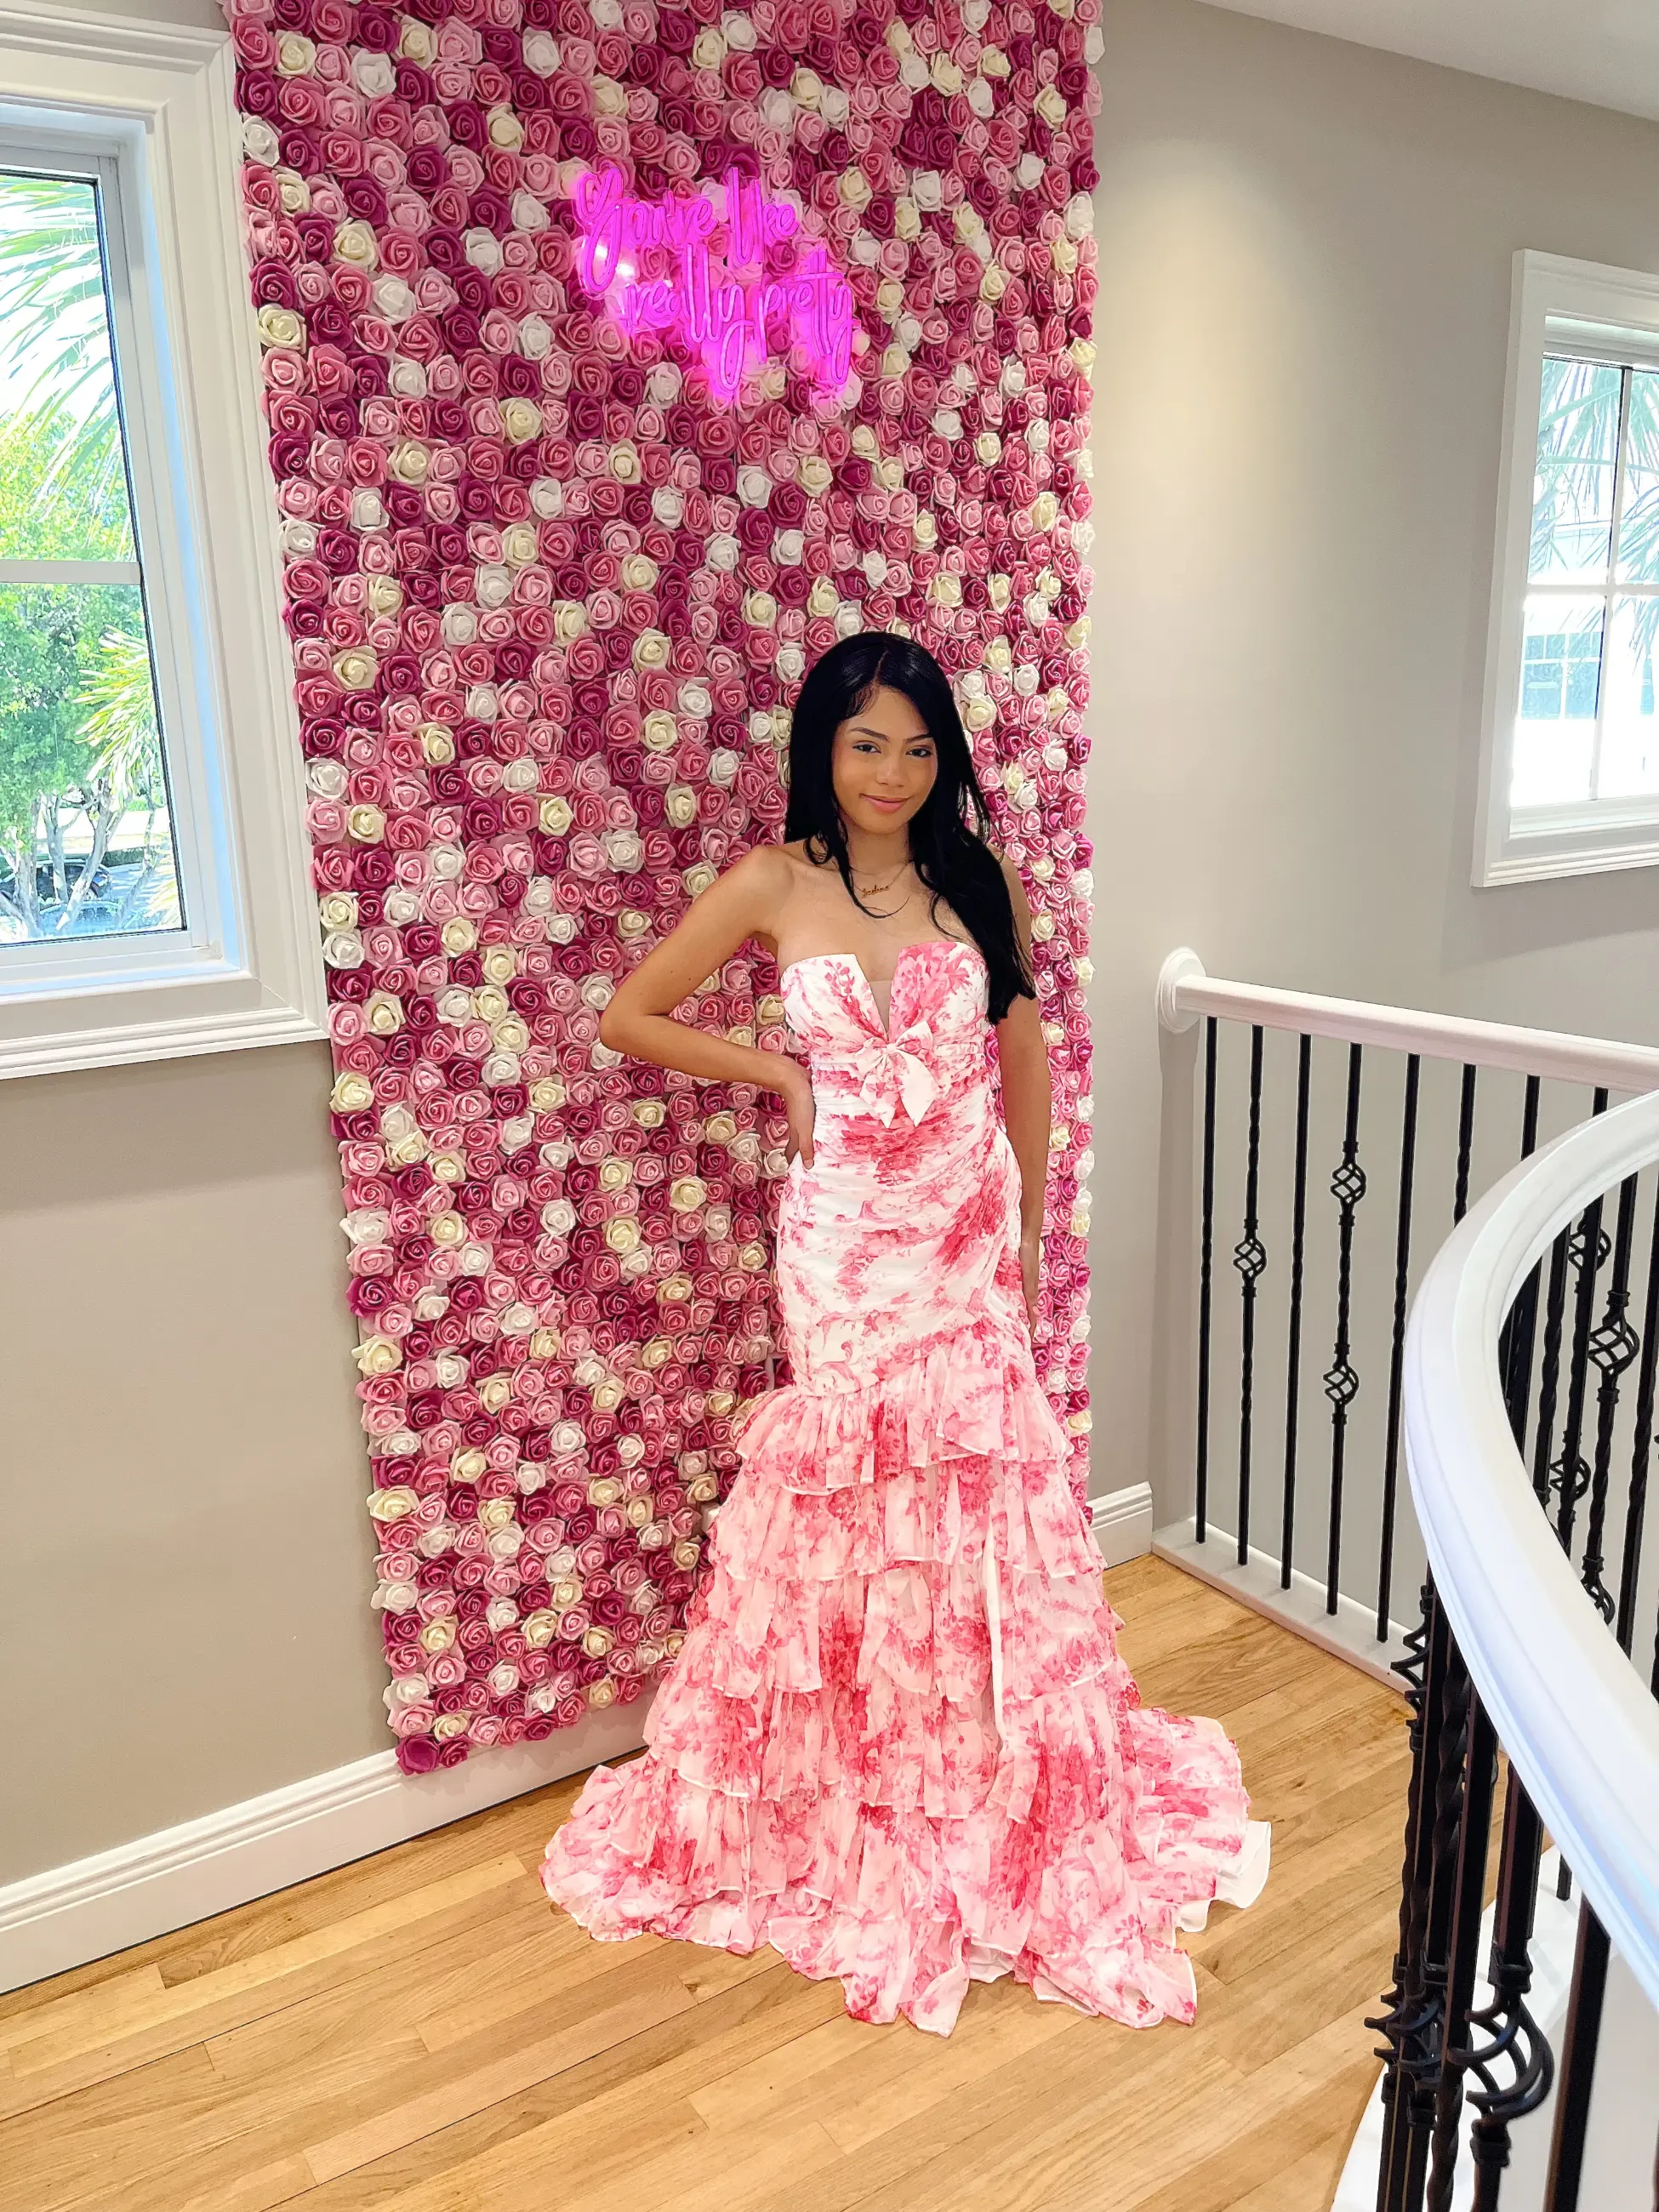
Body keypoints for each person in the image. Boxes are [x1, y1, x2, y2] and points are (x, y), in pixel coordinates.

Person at [540, 630, 1268, 2034]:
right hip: (837, 1243)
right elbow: (629, 1014)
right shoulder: (767, 881)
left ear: (945, 761)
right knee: (850, 1492)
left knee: (974, 1499)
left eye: (919, 748)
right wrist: (775, 1073)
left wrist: (1028, 1227)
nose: (892, 773)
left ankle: (977, 1769)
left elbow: (1023, 1054)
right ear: (823, 743)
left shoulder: (970, 879)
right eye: (867, 742)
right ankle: (844, 1783)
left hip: (954, 1223)